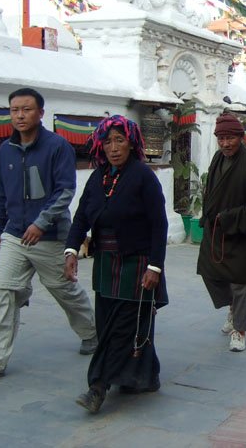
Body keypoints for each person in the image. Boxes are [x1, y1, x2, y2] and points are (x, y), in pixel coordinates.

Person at [0, 88, 97, 383]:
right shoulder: (5, 150)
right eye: (14, 110)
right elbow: (1, 193)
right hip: (14, 234)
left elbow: (64, 192)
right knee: (3, 292)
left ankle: (91, 333)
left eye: (26, 109)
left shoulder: (58, 147)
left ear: (40, 113)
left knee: (64, 289)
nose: (20, 115)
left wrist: (41, 223)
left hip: (50, 236)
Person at [62, 116, 167, 413]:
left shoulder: (143, 177)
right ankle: (145, 375)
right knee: (114, 325)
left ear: (131, 143)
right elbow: (82, 216)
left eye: (119, 140)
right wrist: (71, 250)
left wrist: (155, 267)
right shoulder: (98, 178)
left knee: (121, 330)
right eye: (108, 142)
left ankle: (97, 386)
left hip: (137, 264)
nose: (113, 148)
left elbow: (159, 225)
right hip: (106, 266)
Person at [197, 113, 246, 352]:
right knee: (209, 271)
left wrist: (233, 218)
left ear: (241, 138)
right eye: (221, 138)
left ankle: (239, 329)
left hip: (241, 231)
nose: (225, 143)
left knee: (241, 282)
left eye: (230, 138)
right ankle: (236, 306)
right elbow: (212, 191)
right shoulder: (217, 159)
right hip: (216, 229)